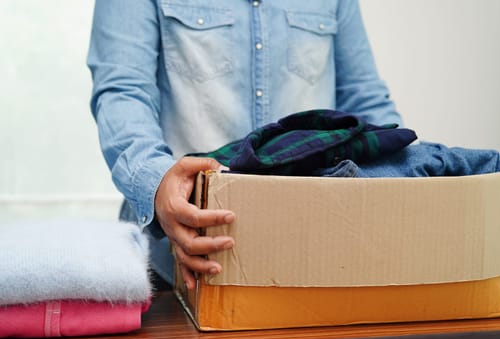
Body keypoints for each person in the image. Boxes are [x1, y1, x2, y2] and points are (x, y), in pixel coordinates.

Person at [87, 0, 403, 290]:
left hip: (312, 255)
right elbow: (123, 91)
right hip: (174, 265)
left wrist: (410, 179)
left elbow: (363, 98)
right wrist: (156, 183)